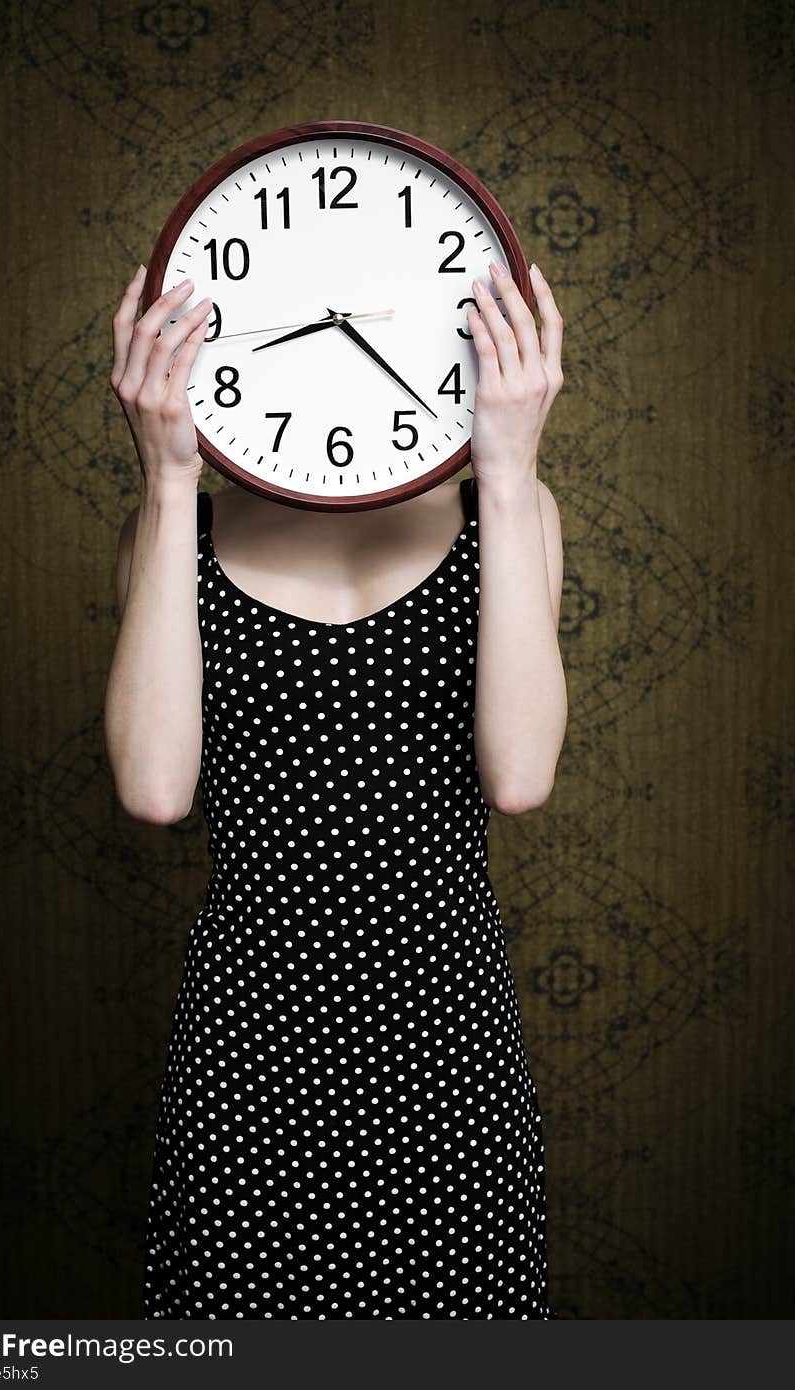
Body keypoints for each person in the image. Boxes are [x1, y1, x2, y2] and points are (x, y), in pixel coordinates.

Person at [104, 258, 567, 1318]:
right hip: (249, 1058)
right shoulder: (180, 531)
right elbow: (155, 787)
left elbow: (521, 772)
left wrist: (506, 465)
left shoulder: (514, 509)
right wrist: (168, 483)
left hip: (445, 1059)